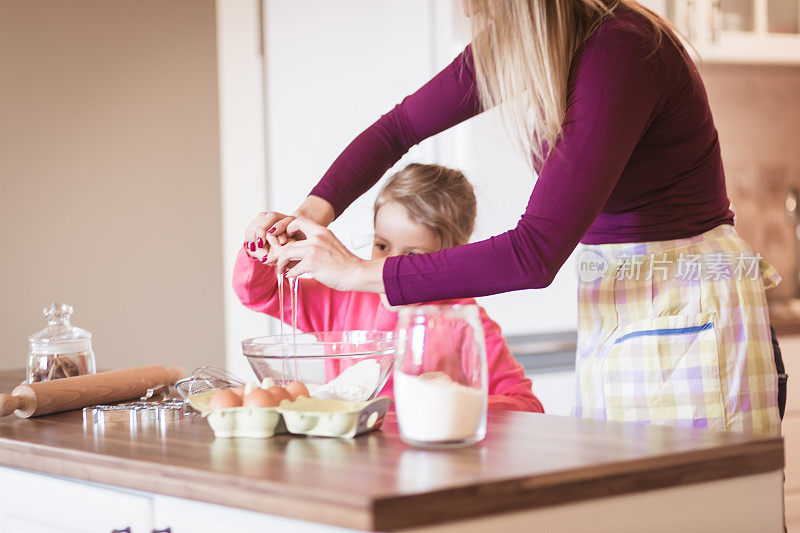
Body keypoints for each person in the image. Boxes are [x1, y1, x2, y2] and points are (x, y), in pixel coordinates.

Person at [256, 0, 785, 436]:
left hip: (685, 302)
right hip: (625, 302)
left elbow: (533, 253)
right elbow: (398, 129)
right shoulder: (531, 45)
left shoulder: (621, 50)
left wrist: (355, 273)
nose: (466, 11)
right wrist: (310, 211)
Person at [235, 163, 544, 413]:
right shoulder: (342, 298)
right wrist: (261, 248)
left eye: (412, 257)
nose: (390, 266)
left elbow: (527, 405)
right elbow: (259, 293)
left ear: (453, 257)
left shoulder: (463, 320)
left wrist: (454, 399)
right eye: (382, 246)